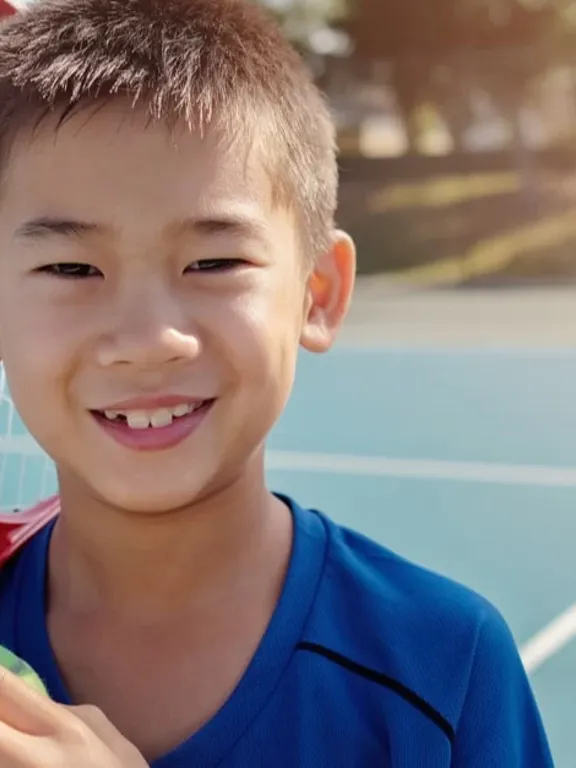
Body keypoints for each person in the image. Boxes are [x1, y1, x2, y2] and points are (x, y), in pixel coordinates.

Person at [0, 0, 553, 766]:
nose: (150, 339)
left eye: (213, 263)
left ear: (318, 292)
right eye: (71, 268)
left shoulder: (444, 664)